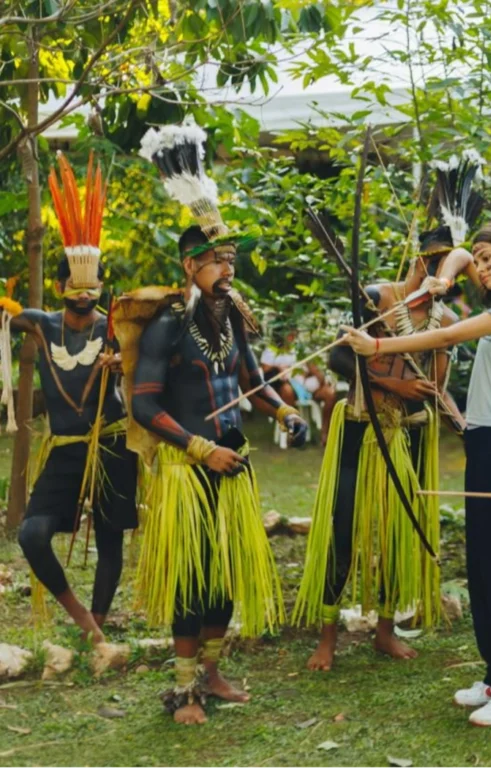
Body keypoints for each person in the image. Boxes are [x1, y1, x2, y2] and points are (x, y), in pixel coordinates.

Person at [126, 124, 308, 726]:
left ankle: (212, 672)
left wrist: (283, 409)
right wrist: (200, 449)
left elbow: (252, 384)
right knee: (192, 579)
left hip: (236, 465)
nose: (227, 268)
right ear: (190, 265)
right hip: (189, 465)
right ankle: (183, 692)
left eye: (230, 258)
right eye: (215, 260)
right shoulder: (168, 328)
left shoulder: (232, 321)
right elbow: (144, 406)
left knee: (226, 579)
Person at [341, 220, 491, 727]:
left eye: (490, 258)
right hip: (486, 443)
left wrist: (379, 349)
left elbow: (454, 332)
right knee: (483, 567)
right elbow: (454, 254)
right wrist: (444, 277)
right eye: (478, 260)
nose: (480, 266)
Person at [293, 178, 477, 667]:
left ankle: (386, 629)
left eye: (446, 271)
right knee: (344, 525)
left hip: (413, 433)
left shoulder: (446, 316)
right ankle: (328, 637)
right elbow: (337, 359)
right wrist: (393, 385)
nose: (437, 277)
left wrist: (439, 368)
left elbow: (436, 383)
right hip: (362, 425)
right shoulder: (379, 297)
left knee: (401, 529)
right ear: (419, 262)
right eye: (432, 266)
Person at [9, 153, 137, 645]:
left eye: (93, 284)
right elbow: (8, 312)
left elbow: (153, 355)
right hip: (64, 448)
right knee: (31, 534)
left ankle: (99, 627)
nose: (85, 293)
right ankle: (80, 615)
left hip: (110, 444)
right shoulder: (40, 325)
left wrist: (123, 359)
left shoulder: (119, 328)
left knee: (110, 538)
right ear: (61, 285)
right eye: (75, 285)